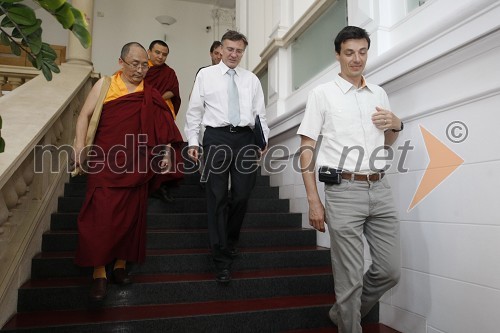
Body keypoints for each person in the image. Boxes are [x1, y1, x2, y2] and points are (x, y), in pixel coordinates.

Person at [297, 26, 403, 333]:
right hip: (343, 191)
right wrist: (314, 201)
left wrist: (396, 124)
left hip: (380, 188)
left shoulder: (379, 93)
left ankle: (344, 312)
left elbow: (388, 141)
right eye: (349, 53)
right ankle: (348, 322)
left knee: (390, 270)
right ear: (337, 55)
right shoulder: (322, 94)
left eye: (362, 52)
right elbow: (306, 149)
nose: (356, 59)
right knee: (349, 276)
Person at [73, 42, 183, 301]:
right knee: (100, 215)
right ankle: (99, 272)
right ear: (121, 62)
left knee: (131, 215)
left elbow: (165, 126)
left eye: (145, 64)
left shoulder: (150, 93)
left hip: (138, 161)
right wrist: (78, 145)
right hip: (105, 160)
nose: (140, 69)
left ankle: (120, 266)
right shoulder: (105, 85)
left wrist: (166, 152)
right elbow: (83, 116)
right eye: (135, 64)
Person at [185, 30, 269, 284]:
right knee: (216, 197)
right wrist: (192, 141)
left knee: (242, 195)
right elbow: (194, 112)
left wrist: (262, 140)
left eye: (239, 50)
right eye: (230, 49)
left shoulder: (251, 79)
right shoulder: (206, 75)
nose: (234, 54)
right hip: (216, 138)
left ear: (243, 51)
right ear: (221, 49)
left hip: (245, 139)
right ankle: (220, 257)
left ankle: (230, 238)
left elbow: (260, 114)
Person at [144, 40, 183, 202]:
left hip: (161, 109)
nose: (160, 57)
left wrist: (155, 98)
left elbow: (172, 91)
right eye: (157, 53)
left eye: (164, 54)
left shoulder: (169, 72)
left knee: (168, 139)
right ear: (149, 52)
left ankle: (163, 184)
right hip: (143, 108)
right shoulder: (142, 68)